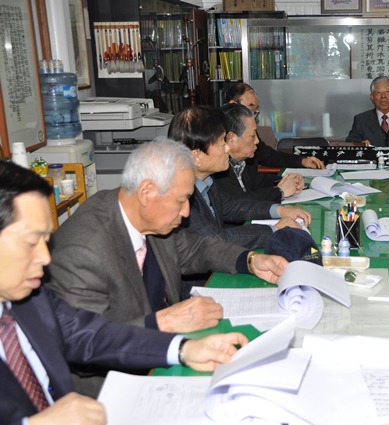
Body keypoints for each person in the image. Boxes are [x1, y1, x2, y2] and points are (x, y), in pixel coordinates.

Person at [0, 160, 249, 425]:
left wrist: (183, 349)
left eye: (46, 241)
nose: (45, 257)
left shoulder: (30, 299)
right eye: (31, 242)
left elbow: (92, 335)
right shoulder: (81, 249)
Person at [46, 138, 287, 397]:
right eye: (181, 200)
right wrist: (161, 323)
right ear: (147, 192)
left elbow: (194, 248)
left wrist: (250, 260)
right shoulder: (84, 249)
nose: (186, 212)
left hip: (168, 352)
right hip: (116, 386)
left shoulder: (148, 217)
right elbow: (87, 340)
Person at [168, 106, 311, 294]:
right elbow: (218, 239)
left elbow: (232, 205)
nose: (228, 148)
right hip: (200, 288)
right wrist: (274, 229)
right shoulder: (182, 196)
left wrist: (279, 210)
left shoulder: (206, 181)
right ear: (196, 157)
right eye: (221, 143)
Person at [215, 103, 305, 203]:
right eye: (253, 135)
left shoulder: (242, 162)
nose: (257, 141)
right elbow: (239, 202)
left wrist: (288, 181)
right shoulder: (218, 168)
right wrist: (280, 192)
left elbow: (259, 181)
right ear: (232, 139)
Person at [225, 82, 325, 170]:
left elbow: (268, 156)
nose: (254, 114)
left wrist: (302, 161)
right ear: (233, 105)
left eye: (256, 110)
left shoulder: (250, 131)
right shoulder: (220, 135)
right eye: (250, 107)